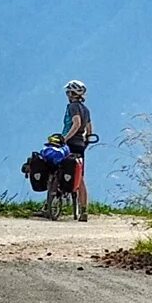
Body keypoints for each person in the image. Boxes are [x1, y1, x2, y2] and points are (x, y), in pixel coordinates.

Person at [60, 81, 95, 221]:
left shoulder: (72, 106)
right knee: (79, 176)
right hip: (80, 145)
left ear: (71, 93)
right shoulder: (86, 109)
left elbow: (77, 123)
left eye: (68, 92)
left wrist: (65, 138)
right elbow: (90, 129)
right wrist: (85, 141)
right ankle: (84, 210)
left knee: (58, 167)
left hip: (70, 143)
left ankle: (51, 202)